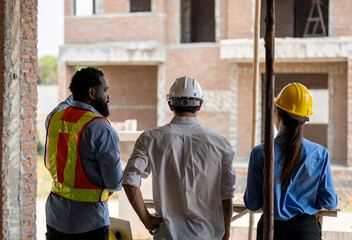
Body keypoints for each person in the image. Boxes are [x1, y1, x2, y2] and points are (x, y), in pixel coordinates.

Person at [122, 76, 236, 240]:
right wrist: (227, 232)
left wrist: (146, 219)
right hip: (209, 235)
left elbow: (129, 180)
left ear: (170, 104)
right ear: (200, 105)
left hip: (167, 234)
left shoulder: (150, 139)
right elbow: (226, 192)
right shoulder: (220, 144)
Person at [244, 83, 338, 240]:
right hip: (306, 232)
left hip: (270, 231)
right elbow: (329, 201)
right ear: (304, 121)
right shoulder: (319, 153)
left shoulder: (260, 153)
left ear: (278, 115)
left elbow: (252, 203)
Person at [44, 67, 123, 240]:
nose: (107, 96)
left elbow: (67, 103)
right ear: (92, 92)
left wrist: (78, 89)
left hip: (55, 217)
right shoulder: (101, 128)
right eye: (105, 90)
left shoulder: (54, 118)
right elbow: (115, 182)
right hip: (89, 222)